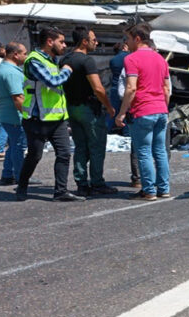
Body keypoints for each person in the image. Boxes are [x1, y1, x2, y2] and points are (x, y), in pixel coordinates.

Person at [17, 28, 79, 202]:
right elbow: (53, 82)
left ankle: (60, 191)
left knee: (65, 153)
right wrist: (67, 70)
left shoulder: (52, 60)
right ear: (50, 42)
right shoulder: (34, 61)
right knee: (34, 156)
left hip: (56, 119)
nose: (64, 45)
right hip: (37, 119)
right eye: (62, 41)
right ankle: (22, 186)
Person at [116, 23, 171, 200]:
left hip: (143, 110)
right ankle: (164, 188)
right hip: (161, 109)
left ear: (137, 38)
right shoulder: (161, 59)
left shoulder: (131, 59)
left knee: (144, 151)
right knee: (160, 151)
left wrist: (122, 112)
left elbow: (131, 88)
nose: (127, 43)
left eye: (129, 39)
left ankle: (149, 190)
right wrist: (165, 107)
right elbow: (166, 89)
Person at [62, 27, 118, 197]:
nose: (97, 42)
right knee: (96, 146)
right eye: (94, 39)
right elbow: (98, 88)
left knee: (80, 146)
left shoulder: (65, 59)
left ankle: (81, 183)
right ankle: (97, 183)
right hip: (89, 108)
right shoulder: (87, 61)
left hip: (72, 107)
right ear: (84, 41)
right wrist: (109, 106)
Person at [0, 42, 28, 184]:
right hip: (15, 116)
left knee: (13, 145)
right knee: (19, 147)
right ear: (15, 54)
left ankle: (8, 174)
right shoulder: (12, 72)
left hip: (4, 113)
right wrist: (28, 115)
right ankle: (21, 177)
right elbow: (18, 97)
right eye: (24, 53)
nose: (26, 56)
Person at [109, 41, 140, 187]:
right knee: (155, 149)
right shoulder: (130, 58)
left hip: (117, 89)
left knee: (115, 113)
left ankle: (137, 179)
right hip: (145, 103)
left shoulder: (113, 60)